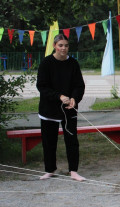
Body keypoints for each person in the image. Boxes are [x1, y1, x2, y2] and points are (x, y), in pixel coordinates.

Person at [36, 34, 86, 181]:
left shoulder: (73, 64)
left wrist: (74, 99)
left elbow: (79, 85)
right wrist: (59, 96)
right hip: (49, 109)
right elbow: (42, 86)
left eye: (66, 45)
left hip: (69, 109)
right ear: (54, 46)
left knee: (72, 140)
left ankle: (73, 171)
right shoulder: (46, 63)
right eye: (60, 45)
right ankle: (50, 169)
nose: (63, 48)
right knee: (49, 141)